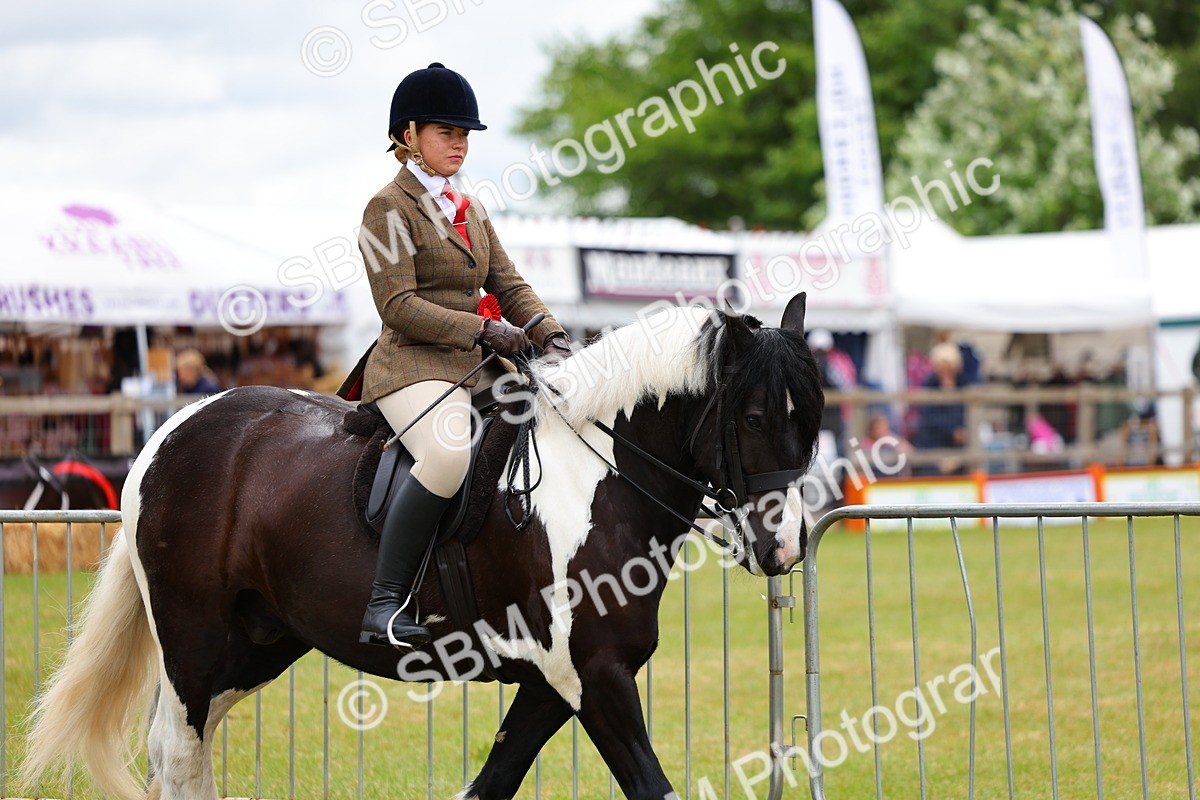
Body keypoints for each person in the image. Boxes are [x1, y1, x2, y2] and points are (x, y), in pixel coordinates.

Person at [338, 63, 572, 649]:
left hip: (475, 366)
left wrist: (551, 334)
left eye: (465, 135)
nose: (460, 144)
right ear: (408, 134)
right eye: (447, 132)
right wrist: (484, 331)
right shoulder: (385, 209)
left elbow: (510, 283)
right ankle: (385, 602)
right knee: (446, 456)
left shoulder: (471, 207)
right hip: (411, 366)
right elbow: (398, 306)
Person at [913, 342, 968, 475]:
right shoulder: (930, 384)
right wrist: (951, 431)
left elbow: (968, 411)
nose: (944, 370)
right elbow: (929, 415)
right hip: (933, 443)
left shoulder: (963, 384)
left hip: (958, 447)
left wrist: (963, 429)